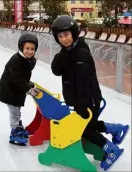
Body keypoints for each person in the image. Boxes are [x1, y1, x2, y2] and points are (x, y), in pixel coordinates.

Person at [50, 15, 129, 171]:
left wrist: (82, 103)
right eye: (60, 36)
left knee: (85, 130)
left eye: (66, 35)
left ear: (73, 33)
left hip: (88, 99)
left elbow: (83, 80)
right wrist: (61, 57)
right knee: (90, 125)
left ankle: (111, 149)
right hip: (79, 99)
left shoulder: (81, 52)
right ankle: (115, 128)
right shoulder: (67, 52)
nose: (64, 39)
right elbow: (56, 70)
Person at [0, 33, 41, 146]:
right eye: (27, 48)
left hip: (15, 90)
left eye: (32, 49)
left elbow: (23, 77)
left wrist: (29, 85)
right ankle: (14, 132)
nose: (30, 51)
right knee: (14, 112)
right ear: (21, 47)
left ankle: (18, 127)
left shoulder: (29, 59)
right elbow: (17, 78)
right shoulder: (16, 60)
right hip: (9, 91)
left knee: (17, 111)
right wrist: (28, 88)